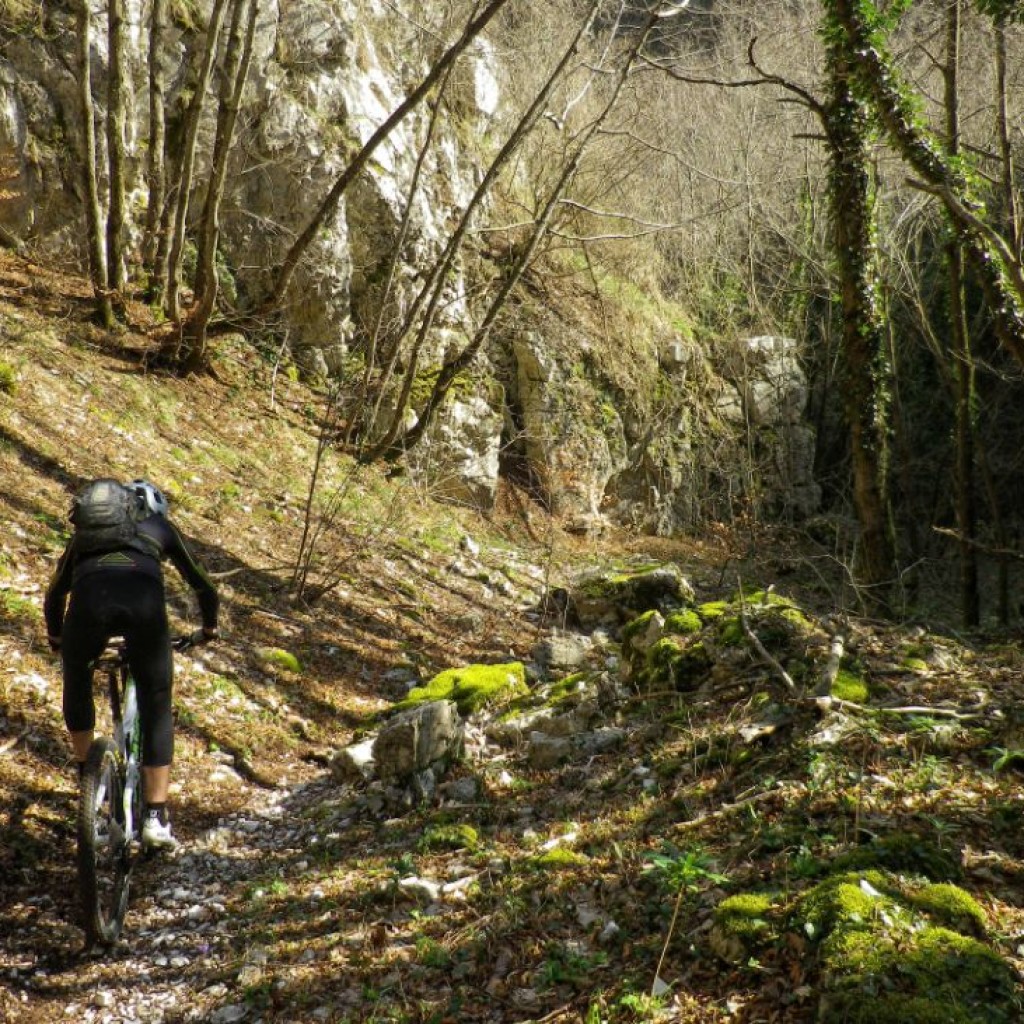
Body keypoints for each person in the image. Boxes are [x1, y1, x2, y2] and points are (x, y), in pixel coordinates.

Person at [44, 478, 220, 850]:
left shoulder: (84, 539)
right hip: (144, 612)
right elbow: (203, 584)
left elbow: (55, 593)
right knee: (156, 703)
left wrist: (58, 639)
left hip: (87, 613)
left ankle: (88, 787)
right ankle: (156, 818)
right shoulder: (160, 528)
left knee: (76, 681)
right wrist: (208, 629)